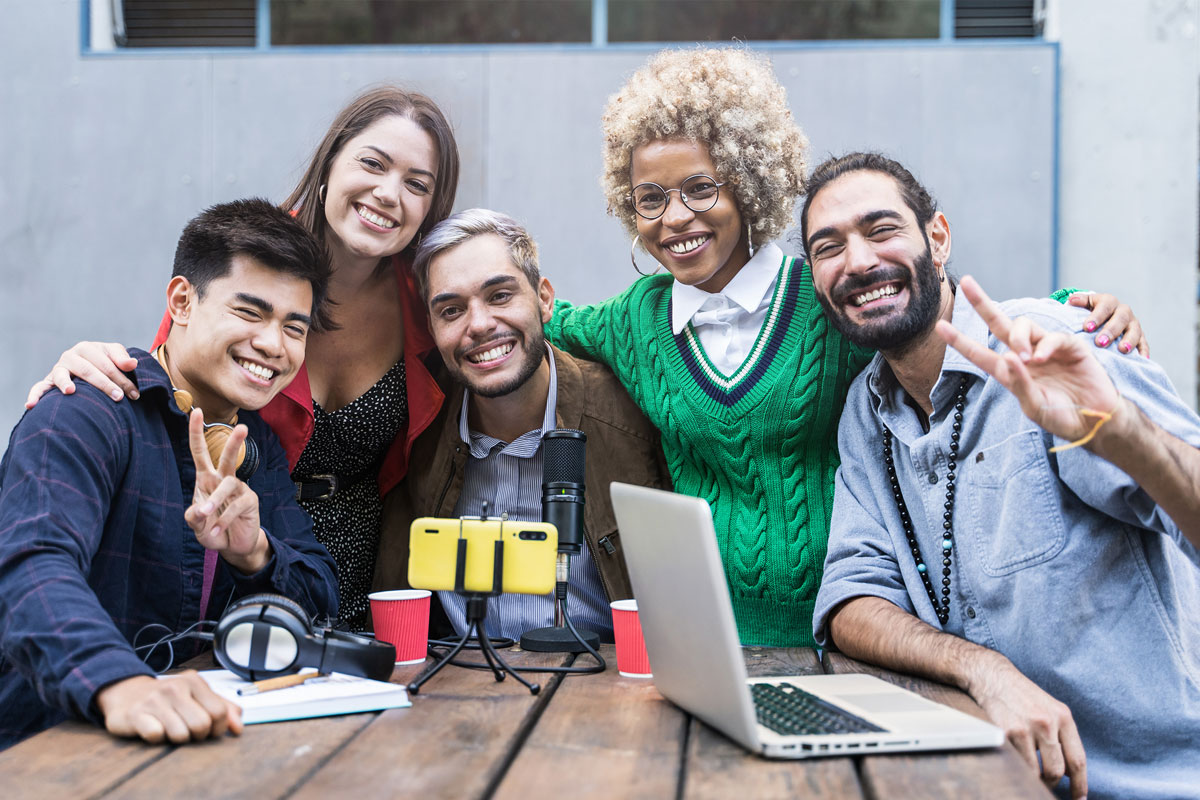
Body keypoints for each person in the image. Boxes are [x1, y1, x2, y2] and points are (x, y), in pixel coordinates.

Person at [543, 46, 1145, 648]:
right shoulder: (633, 319)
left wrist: (1079, 307)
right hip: (700, 643)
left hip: (854, 630)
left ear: (749, 183)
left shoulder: (836, 293)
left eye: (700, 189)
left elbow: (954, 320)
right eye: (651, 198)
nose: (674, 217)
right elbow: (547, 318)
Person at [805, 153, 1199, 800]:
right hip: (998, 777)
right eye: (829, 247)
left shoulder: (1052, 345)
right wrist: (983, 671)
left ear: (938, 239)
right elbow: (852, 600)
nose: (857, 261)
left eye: (881, 230)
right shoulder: (865, 411)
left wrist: (1118, 430)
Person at [25, 86, 460, 630]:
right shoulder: (250, 256)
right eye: (373, 163)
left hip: (344, 557)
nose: (389, 193)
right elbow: (174, 381)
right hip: (224, 532)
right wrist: (86, 371)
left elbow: (516, 318)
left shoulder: (433, 295)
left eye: (417, 184)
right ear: (330, 164)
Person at [0, 199, 339, 749]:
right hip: (49, 743)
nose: (274, 345)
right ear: (182, 301)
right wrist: (121, 684)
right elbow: (31, 565)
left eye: (294, 327)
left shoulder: (256, 446)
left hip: (196, 745)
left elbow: (319, 595)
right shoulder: (83, 411)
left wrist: (254, 553)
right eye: (250, 313)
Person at [373, 209, 671, 640]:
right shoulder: (417, 426)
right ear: (432, 329)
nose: (479, 325)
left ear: (544, 299)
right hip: (460, 680)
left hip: (603, 682)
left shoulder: (631, 414)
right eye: (452, 310)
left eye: (499, 296)